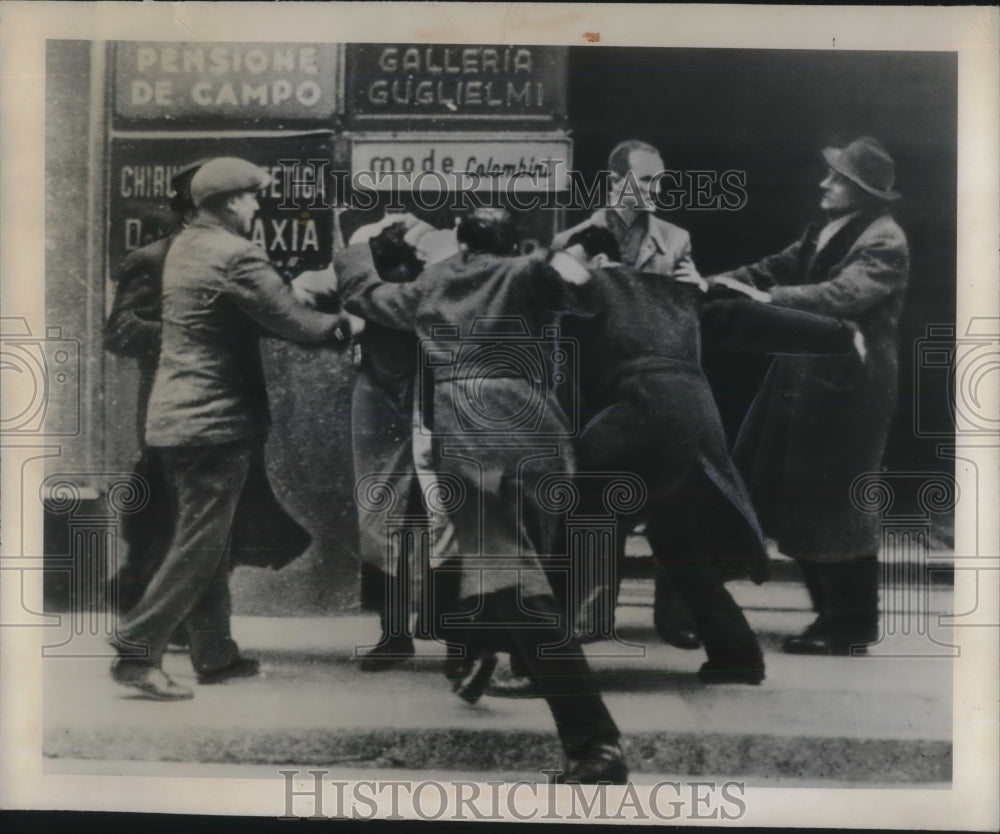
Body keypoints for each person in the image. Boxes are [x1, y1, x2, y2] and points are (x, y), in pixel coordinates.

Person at [336, 208, 627, 785]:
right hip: (539, 436)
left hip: (471, 439)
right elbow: (582, 289)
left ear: (460, 245)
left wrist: (358, 243)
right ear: (508, 241)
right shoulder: (525, 272)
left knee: (514, 584)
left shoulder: (433, 282)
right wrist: (570, 246)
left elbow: (367, 294)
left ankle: (597, 743)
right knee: (512, 570)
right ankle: (479, 648)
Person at [109, 157, 352, 700]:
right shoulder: (235, 253)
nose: (258, 206)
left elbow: (242, 311)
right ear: (228, 203)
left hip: (177, 418)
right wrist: (346, 324)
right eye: (251, 198)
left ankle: (215, 655)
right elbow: (293, 322)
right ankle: (137, 648)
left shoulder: (188, 247)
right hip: (213, 423)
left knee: (208, 542)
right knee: (199, 545)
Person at [709, 136, 910, 656]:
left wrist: (762, 298)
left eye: (837, 178)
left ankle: (849, 626)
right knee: (802, 497)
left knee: (839, 502)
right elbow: (776, 265)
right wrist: (713, 284)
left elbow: (843, 297)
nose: (825, 184)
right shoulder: (826, 228)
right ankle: (830, 616)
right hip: (806, 381)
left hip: (850, 389)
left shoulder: (884, 240)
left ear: (863, 192)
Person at [552, 139, 703, 649]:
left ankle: (677, 614)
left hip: (660, 394)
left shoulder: (675, 239)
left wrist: (695, 289)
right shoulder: (574, 239)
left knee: (675, 501)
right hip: (603, 395)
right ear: (616, 183)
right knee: (597, 502)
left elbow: (684, 315)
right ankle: (594, 614)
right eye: (647, 180)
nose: (658, 190)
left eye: (661, 179)